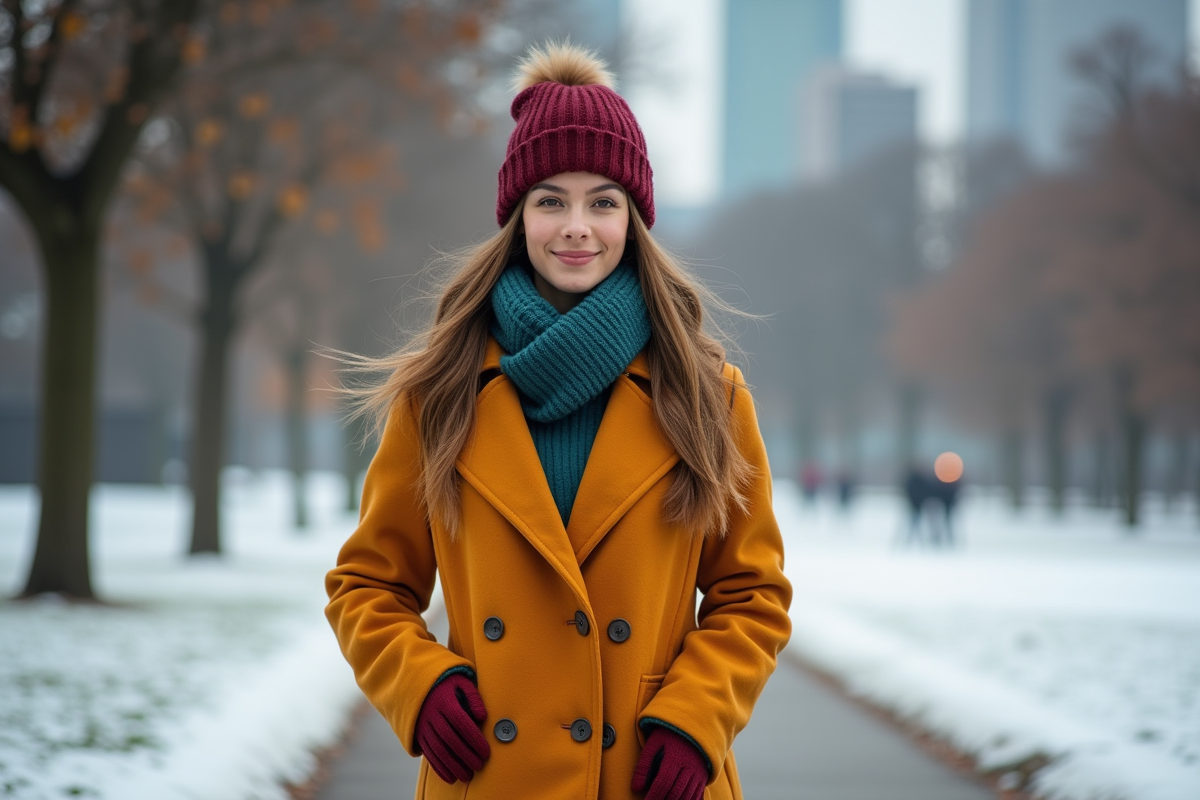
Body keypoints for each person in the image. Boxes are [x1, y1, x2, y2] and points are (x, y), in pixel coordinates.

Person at [324, 41, 792, 800]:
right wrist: (421, 684)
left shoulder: (709, 395)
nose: (578, 227)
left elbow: (753, 595)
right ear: (517, 217)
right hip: (490, 774)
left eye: (603, 201)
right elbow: (366, 584)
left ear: (634, 220)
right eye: (552, 200)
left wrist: (696, 717)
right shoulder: (438, 393)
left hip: (648, 775)